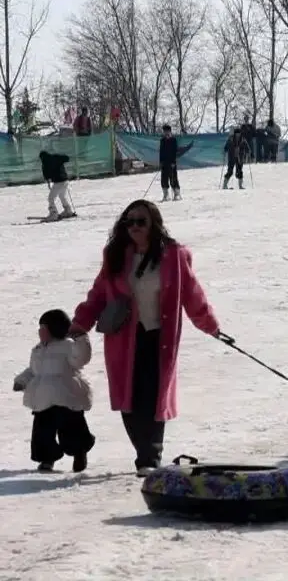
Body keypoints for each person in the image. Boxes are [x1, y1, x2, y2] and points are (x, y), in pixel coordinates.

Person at [70, 200, 221, 476]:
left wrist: (210, 325)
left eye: (141, 221)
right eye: (129, 222)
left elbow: (193, 295)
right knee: (129, 397)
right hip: (123, 339)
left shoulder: (174, 256)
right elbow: (98, 294)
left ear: (154, 224)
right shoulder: (115, 256)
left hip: (159, 338)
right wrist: (80, 323)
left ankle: (149, 457)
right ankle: (143, 450)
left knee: (154, 396)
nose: (134, 227)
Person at [12, 309, 94, 473]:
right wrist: (21, 381)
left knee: (72, 428)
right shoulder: (38, 350)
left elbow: (81, 358)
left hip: (66, 396)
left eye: (43, 327)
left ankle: (79, 452)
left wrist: (81, 340)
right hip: (43, 399)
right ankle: (46, 458)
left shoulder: (68, 346)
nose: (40, 331)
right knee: (42, 432)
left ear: (55, 328)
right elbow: (33, 371)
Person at [38, 150, 76, 221]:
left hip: (58, 182)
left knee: (51, 198)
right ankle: (68, 210)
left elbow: (46, 174)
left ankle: (53, 214)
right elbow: (66, 158)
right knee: (62, 196)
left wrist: (48, 181)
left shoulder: (45, 163)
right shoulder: (55, 157)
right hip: (65, 180)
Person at [159, 125, 180, 202]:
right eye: (164, 131)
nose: (166, 133)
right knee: (164, 178)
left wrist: (173, 162)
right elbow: (161, 152)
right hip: (164, 162)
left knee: (173, 178)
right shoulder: (162, 140)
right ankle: (166, 195)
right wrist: (161, 161)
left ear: (170, 131)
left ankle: (176, 194)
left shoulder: (173, 140)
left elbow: (175, 152)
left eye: (167, 131)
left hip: (172, 162)